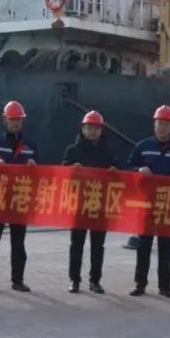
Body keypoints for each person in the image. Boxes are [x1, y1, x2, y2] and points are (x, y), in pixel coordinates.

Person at [127, 105, 170, 299]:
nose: (163, 127)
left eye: (166, 124)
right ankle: (140, 284)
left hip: (168, 206)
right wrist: (138, 170)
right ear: (154, 125)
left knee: (165, 247)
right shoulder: (142, 147)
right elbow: (129, 167)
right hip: (146, 205)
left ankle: (165, 286)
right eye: (159, 123)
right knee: (144, 246)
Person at [0, 100, 38, 292]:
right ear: (5, 120)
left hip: (20, 198)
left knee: (18, 242)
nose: (15, 123)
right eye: (12, 119)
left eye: (18, 120)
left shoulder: (30, 146)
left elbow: (40, 175)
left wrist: (34, 166)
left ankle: (17, 280)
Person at [62, 110, 117, 294]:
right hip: (79, 205)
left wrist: (114, 171)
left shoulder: (109, 152)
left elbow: (120, 173)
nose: (93, 131)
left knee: (97, 245)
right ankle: (74, 280)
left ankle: (95, 281)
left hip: (100, 205)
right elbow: (62, 174)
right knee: (76, 244)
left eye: (96, 128)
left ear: (101, 131)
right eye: (89, 128)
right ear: (83, 129)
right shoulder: (72, 151)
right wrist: (71, 169)